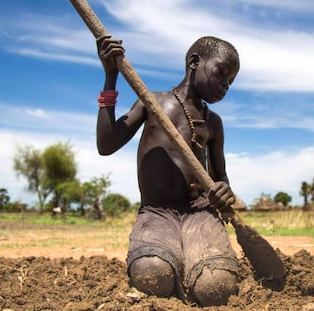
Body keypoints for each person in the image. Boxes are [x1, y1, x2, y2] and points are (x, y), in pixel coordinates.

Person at [96, 35, 240, 307]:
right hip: (157, 213)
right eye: (222, 73)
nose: (225, 85)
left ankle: (193, 258)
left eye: (230, 82)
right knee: (153, 275)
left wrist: (224, 190)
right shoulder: (152, 103)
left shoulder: (214, 123)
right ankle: (174, 257)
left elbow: (220, 178)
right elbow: (106, 144)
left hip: (200, 213)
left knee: (215, 286)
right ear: (194, 62)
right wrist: (110, 76)